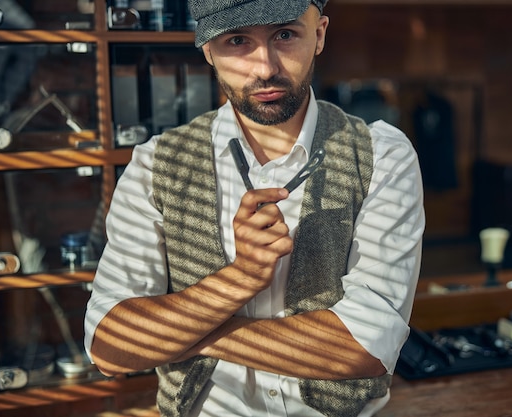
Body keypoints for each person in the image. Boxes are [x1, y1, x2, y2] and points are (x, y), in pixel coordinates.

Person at [84, 0, 425, 416]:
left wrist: (179, 334)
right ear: (207, 48)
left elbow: (364, 347)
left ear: (318, 34)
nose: (264, 67)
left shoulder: (381, 154)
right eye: (237, 40)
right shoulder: (155, 166)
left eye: (285, 35)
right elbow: (111, 348)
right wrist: (240, 279)